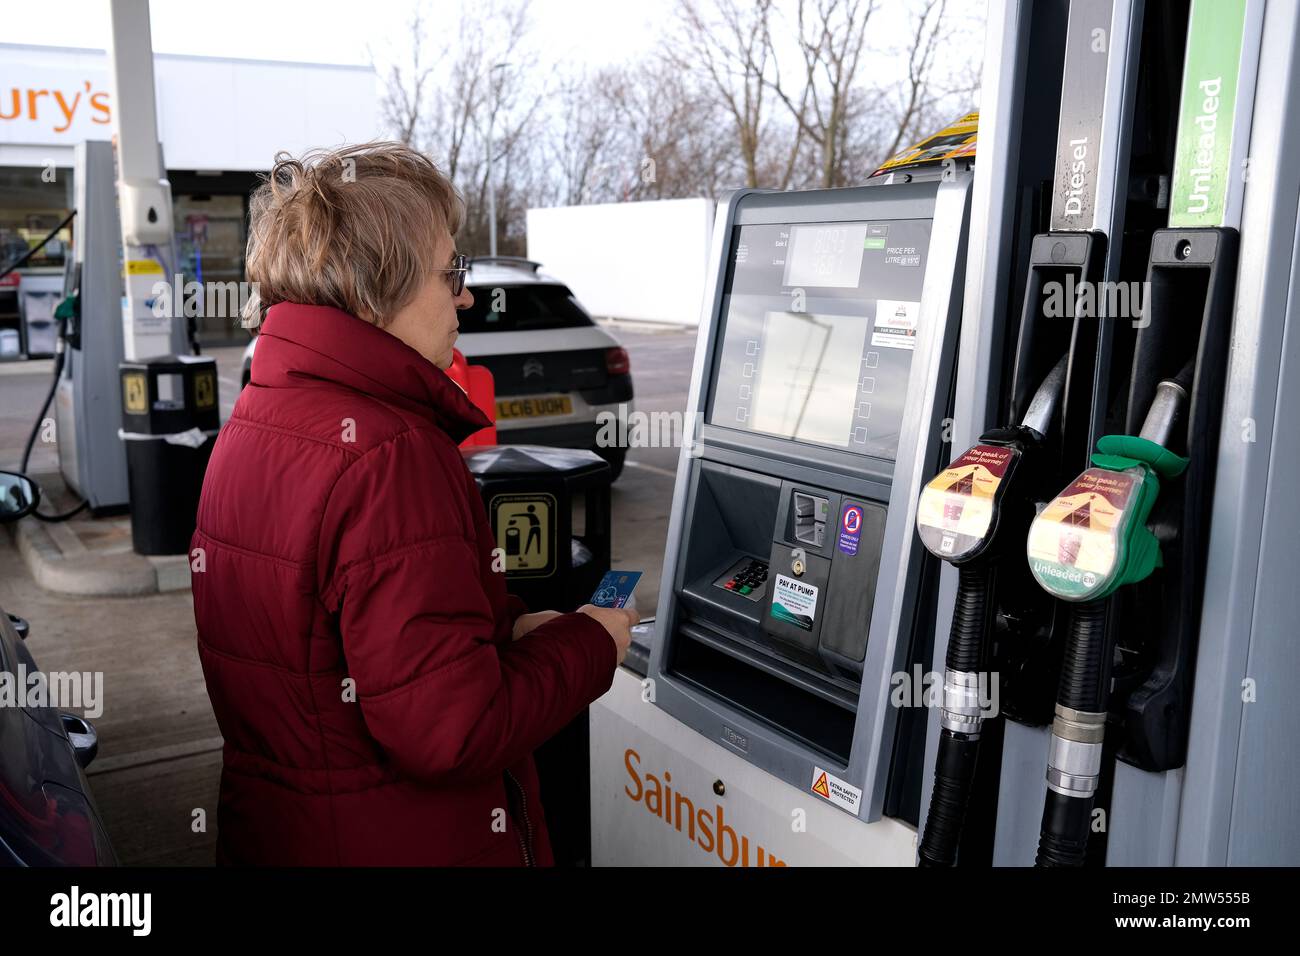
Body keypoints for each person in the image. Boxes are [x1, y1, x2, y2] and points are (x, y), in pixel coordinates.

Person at [190, 141, 636, 866]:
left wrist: (507, 633)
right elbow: (452, 732)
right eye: (451, 271)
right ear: (374, 292)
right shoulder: (388, 455)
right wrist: (591, 644)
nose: (465, 295)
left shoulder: (261, 414)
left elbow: (342, 649)